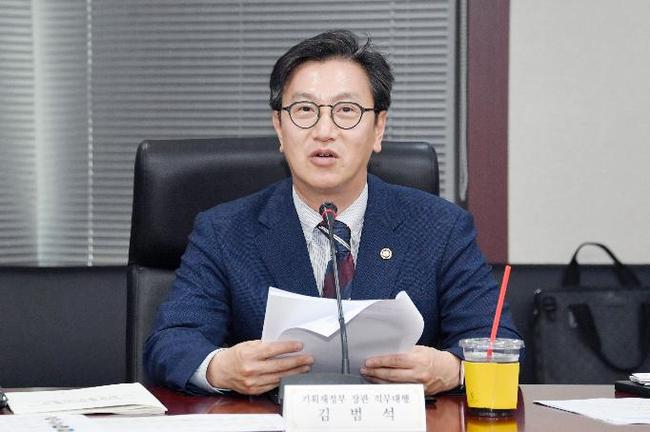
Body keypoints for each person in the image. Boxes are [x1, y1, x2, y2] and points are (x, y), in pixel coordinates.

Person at [144, 30, 521, 396]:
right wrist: (219, 367)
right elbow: (171, 342)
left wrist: (452, 370)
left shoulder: (441, 228)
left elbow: (497, 341)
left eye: (346, 111)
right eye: (305, 110)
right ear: (279, 127)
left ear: (379, 128)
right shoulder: (224, 231)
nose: (324, 131)